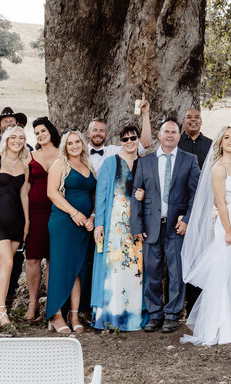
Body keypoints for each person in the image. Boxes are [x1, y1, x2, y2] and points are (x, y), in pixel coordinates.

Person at [181, 126, 231, 345]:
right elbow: (219, 202)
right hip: (228, 225)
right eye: (227, 137)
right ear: (220, 143)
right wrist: (228, 231)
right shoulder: (218, 168)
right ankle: (221, 328)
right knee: (225, 275)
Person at [131, 118, 200, 334]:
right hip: (151, 226)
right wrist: (136, 226)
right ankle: (154, 314)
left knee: (176, 272)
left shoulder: (190, 160)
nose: (170, 135)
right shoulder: (145, 161)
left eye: (174, 132)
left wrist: (187, 219)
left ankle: (172, 315)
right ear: (159, 135)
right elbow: (136, 195)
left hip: (176, 226)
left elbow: (195, 195)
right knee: (151, 272)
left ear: (179, 136)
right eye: (166, 132)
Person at [89, 124, 143, 332]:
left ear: (138, 139)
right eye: (125, 139)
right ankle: (110, 315)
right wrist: (99, 224)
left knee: (135, 268)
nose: (130, 142)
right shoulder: (111, 162)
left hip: (137, 223)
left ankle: (132, 316)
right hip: (114, 224)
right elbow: (101, 195)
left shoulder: (144, 163)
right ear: (119, 141)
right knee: (113, 268)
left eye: (133, 138)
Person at [40, 130, 95, 332]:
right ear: (65, 145)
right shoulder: (60, 164)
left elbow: (94, 195)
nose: (74, 146)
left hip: (84, 224)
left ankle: (74, 315)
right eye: (70, 143)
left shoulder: (88, 165)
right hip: (64, 222)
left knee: (79, 270)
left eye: (77, 142)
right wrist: (74, 213)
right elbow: (51, 192)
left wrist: (92, 217)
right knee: (62, 267)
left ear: (82, 143)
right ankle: (55, 315)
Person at [0, 125, 30, 325]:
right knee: (7, 262)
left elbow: (23, 194)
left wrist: (27, 221)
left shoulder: (24, 164)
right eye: (13, 138)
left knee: (5, 266)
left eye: (21, 137)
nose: (17, 141)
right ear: (6, 140)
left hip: (17, 220)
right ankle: (2, 310)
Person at [24, 116, 60, 321]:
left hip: (58, 211)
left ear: (50, 131)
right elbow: (26, 187)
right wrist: (25, 216)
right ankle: (32, 303)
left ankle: (52, 303)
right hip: (35, 212)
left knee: (53, 259)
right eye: (36, 133)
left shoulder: (62, 154)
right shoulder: (30, 156)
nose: (40, 135)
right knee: (32, 258)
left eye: (43, 130)